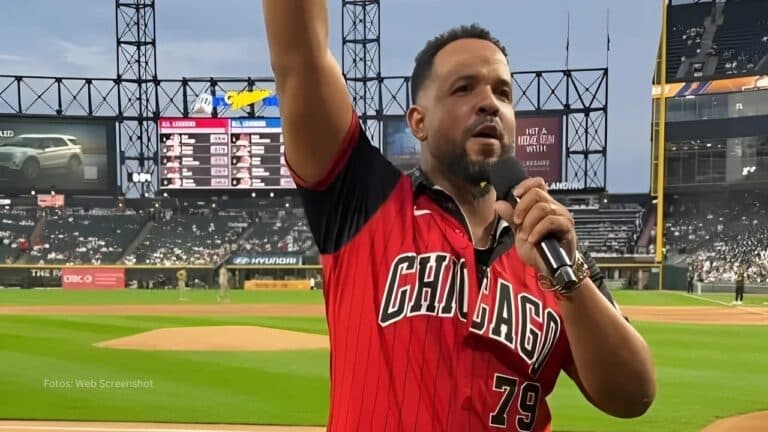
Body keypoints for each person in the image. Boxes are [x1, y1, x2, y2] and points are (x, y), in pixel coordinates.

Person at [262, 3, 655, 430]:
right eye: (464, 88)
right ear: (418, 121)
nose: (489, 103)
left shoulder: (556, 252)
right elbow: (299, 57)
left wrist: (569, 278)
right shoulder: (363, 200)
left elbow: (633, 396)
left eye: (503, 93)